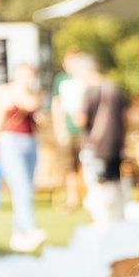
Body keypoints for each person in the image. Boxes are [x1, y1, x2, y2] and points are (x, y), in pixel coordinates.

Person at [0, 62, 45, 253]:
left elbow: (37, 114)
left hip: (30, 142)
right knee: (22, 188)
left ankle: (18, 236)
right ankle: (30, 229)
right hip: (10, 143)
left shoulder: (35, 95)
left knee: (25, 190)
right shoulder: (6, 92)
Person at [78, 54, 128, 224]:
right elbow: (126, 118)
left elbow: (82, 119)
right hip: (115, 144)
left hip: (97, 146)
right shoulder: (116, 90)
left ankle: (104, 221)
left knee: (99, 184)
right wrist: (123, 140)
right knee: (115, 181)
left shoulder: (90, 92)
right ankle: (119, 218)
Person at [50, 48, 86, 210]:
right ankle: (73, 197)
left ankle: (88, 196)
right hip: (68, 130)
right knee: (69, 165)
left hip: (85, 131)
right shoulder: (61, 80)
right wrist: (59, 128)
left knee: (86, 164)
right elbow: (56, 104)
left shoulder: (86, 79)